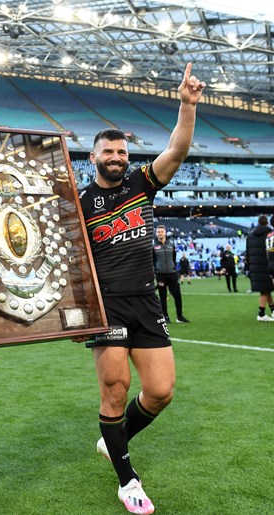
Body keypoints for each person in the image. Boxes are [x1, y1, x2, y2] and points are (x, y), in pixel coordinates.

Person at [79, 62, 205, 514]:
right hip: (106, 304)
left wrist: (186, 106)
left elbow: (178, 148)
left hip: (145, 299)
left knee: (161, 391)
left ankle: (113, 441)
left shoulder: (142, 183)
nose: (116, 156)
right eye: (108, 151)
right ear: (93, 157)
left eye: (121, 151)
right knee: (115, 388)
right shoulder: (79, 203)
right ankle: (127, 480)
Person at [153, 225, 189, 324]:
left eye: (162, 231)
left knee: (177, 295)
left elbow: (173, 258)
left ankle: (179, 316)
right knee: (163, 297)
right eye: (158, 232)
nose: (160, 233)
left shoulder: (171, 245)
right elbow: (153, 260)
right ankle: (165, 317)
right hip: (161, 275)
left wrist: (172, 268)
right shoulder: (154, 246)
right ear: (156, 234)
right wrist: (156, 271)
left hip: (172, 273)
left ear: (165, 233)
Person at [245, 215, 274, 322]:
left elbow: (248, 253)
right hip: (266, 264)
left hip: (255, 265)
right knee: (265, 290)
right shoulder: (270, 234)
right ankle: (261, 313)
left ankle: (273, 309)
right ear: (267, 223)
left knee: (266, 289)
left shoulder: (250, 235)